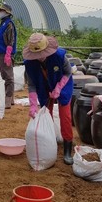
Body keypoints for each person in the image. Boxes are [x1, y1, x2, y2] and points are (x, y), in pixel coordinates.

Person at [23, 32, 74, 164]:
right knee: (46, 114)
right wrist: (33, 105)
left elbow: (68, 72)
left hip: (62, 85)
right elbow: (32, 84)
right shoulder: (29, 63)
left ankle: (68, 148)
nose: (40, 57)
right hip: (43, 87)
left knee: (65, 117)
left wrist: (58, 88)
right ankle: (50, 143)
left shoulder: (59, 56)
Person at [0, 3, 17, 109]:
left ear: (7, 13)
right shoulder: (3, 23)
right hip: (0, 53)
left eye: (1, 10)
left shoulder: (9, 24)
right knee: (5, 76)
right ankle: (10, 99)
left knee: (8, 77)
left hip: (5, 53)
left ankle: (8, 99)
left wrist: (8, 54)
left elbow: (10, 41)